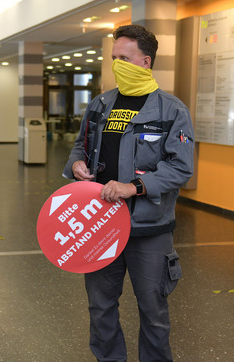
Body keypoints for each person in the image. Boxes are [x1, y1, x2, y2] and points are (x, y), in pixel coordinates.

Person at [62, 24, 194, 361]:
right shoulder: (100, 104)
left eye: (124, 57)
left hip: (148, 229)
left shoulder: (171, 110)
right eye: (113, 58)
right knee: (100, 308)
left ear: (145, 61)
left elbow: (180, 167)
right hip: (101, 225)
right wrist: (76, 164)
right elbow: (81, 146)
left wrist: (132, 187)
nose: (116, 64)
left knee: (153, 311)